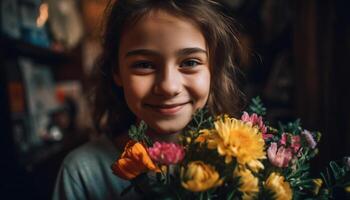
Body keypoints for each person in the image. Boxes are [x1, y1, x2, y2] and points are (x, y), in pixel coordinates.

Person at [52, 0, 246, 199]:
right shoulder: (82, 172)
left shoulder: (240, 161)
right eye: (144, 65)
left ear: (212, 69)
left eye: (190, 62)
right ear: (116, 71)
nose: (168, 87)